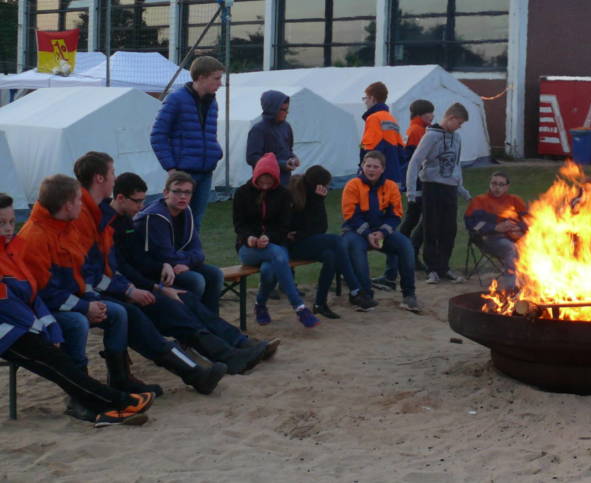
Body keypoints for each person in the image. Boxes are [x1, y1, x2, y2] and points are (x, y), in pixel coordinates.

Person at [22, 175, 226, 401]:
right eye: (79, 201)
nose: (82, 206)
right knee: (121, 312)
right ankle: (88, 393)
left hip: (84, 296)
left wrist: (121, 292)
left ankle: (192, 368)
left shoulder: (72, 226)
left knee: (136, 309)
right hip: (49, 309)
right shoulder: (43, 235)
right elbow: (44, 290)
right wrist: (89, 303)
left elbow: (89, 273)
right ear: (69, 203)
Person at [87, 167, 272, 376]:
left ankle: (237, 344)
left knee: (189, 300)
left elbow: (139, 260)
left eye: (188, 192)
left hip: (137, 284)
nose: (141, 206)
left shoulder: (125, 219)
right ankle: (226, 357)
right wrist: (154, 287)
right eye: (137, 201)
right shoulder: (116, 223)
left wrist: (161, 267)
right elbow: (121, 268)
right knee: (180, 307)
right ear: (120, 198)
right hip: (127, 289)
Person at [1, 196, 156, 427]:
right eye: (2, 223)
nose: (9, 228)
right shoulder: (22, 244)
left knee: (58, 358)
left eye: (12, 221)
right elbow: (9, 306)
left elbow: (33, 294)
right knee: (55, 361)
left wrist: (51, 327)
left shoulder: (12, 250)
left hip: (21, 326)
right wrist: (42, 328)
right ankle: (118, 403)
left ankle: (109, 405)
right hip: (8, 331)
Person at [234, 153, 319, 328]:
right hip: (248, 248)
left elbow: (283, 226)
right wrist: (249, 238)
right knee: (279, 256)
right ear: (255, 177)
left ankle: (260, 305)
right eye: (262, 181)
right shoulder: (242, 193)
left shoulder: (282, 195)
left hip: (274, 244)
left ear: (275, 179)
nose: (265, 186)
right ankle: (299, 307)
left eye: (269, 182)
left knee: (269, 269)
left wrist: (269, 237)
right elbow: (239, 225)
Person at [125, 169, 224, 316]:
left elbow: (198, 251)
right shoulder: (155, 217)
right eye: (177, 191)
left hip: (177, 265)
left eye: (187, 192)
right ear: (166, 193)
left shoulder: (186, 211)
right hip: (153, 268)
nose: (183, 196)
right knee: (196, 280)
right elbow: (165, 256)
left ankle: (213, 326)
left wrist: (187, 263)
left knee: (215, 274)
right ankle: (191, 329)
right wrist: (188, 260)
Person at [287, 165, 376, 317]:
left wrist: (319, 202)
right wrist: (305, 230)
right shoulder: (294, 195)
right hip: (292, 246)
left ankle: (320, 303)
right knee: (336, 240)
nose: (327, 188)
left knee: (331, 256)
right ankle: (355, 290)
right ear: (318, 184)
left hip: (307, 241)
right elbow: (298, 229)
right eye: (326, 185)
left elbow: (321, 228)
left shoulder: (314, 197)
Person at [150, 55, 224, 230]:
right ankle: (174, 256)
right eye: (217, 78)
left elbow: (209, 135)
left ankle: (191, 257)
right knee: (179, 220)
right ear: (201, 77)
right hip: (184, 172)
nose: (220, 83)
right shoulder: (176, 99)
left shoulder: (212, 102)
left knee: (195, 221)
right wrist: (171, 168)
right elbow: (157, 135)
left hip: (206, 171)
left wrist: (215, 152)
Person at [341, 151, 420, 312]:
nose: (371, 170)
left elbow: (396, 214)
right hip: (356, 232)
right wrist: (368, 234)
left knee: (405, 245)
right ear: (362, 166)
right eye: (368, 166)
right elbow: (351, 215)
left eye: (375, 167)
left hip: (380, 234)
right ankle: (363, 295)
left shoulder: (390, 186)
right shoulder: (352, 185)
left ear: (382, 169)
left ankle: (409, 294)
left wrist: (382, 233)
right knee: (356, 249)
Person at [406, 103, 472, 284]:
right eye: (459, 122)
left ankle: (444, 267)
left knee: (449, 229)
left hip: (450, 189)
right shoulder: (431, 136)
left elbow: (456, 165)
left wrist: (461, 189)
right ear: (450, 118)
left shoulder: (456, 138)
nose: (460, 127)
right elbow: (416, 161)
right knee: (431, 228)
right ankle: (432, 269)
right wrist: (411, 190)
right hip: (432, 186)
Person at [465, 171, 529, 274]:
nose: (497, 187)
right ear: (489, 184)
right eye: (494, 183)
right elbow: (472, 225)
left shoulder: (515, 200)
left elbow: (529, 220)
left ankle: (535, 282)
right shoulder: (479, 201)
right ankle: (512, 284)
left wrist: (518, 227)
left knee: (539, 244)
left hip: (516, 236)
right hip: (489, 238)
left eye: (501, 184)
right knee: (510, 248)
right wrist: (494, 227)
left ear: (507, 187)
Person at [396, 98, 435, 264]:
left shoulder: (415, 128)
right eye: (429, 112)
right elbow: (417, 158)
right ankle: (408, 251)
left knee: (414, 218)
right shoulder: (418, 131)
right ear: (420, 114)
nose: (432, 116)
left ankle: (404, 252)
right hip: (419, 181)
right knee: (420, 218)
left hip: (414, 180)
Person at [246, 89, 299, 187]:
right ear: (273, 109)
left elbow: (288, 149)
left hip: (285, 180)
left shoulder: (286, 127)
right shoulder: (258, 130)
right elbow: (252, 158)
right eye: (283, 109)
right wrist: (280, 164)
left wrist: (293, 158)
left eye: (287, 109)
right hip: (266, 181)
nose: (286, 112)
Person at [359, 81, 406, 184]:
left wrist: (363, 170)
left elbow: (370, 150)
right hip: (394, 174)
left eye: (365, 98)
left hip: (378, 177)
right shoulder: (391, 119)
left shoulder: (373, 118)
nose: (365, 102)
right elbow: (401, 152)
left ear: (372, 98)